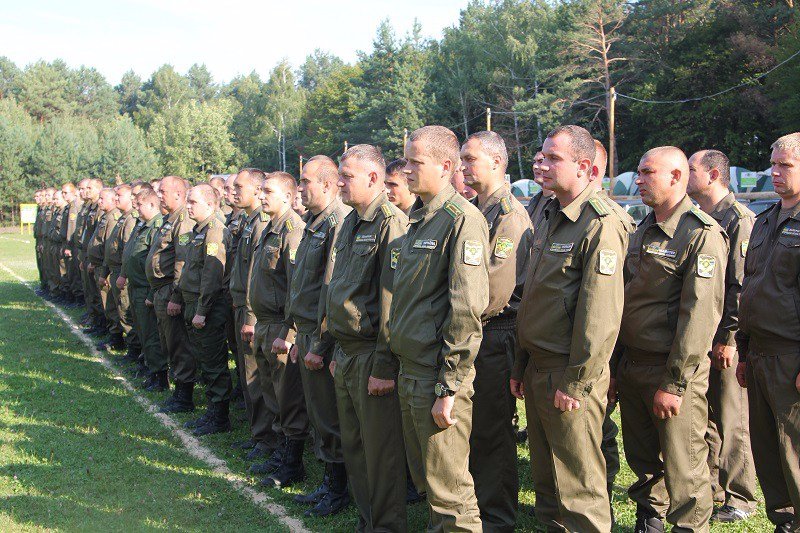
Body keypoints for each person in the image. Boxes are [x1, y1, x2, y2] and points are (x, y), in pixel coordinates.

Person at [511, 125, 628, 531]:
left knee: (578, 486)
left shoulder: (600, 223)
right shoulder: (552, 214)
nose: (542, 165)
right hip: (539, 366)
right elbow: (534, 297)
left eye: (554, 158)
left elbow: (600, 314)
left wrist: (576, 383)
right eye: (542, 156)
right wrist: (521, 363)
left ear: (583, 167)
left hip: (569, 371)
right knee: (547, 481)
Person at [617, 146, 727, 533]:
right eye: (638, 172)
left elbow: (699, 317)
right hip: (633, 363)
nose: (638, 180)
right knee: (643, 456)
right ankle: (650, 519)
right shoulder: (642, 228)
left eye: (648, 172)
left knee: (684, 464)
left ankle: (689, 526)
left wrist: (675, 383)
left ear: (676, 177)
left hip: (671, 369)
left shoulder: (700, 234)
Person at [389, 125, 488, 532]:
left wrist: (449, 387)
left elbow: (466, 310)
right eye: (406, 161)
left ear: (446, 167)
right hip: (411, 370)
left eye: (416, 162)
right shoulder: (420, 219)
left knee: (450, 493)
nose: (407, 170)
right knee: (429, 483)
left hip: (437, 376)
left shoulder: (461, 220)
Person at [326, 145, 409, 531]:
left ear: (373, 178)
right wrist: (334, 347)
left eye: (346, 176)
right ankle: (368, 521)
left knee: (380, 453)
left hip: (371, 356)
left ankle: (386, 526)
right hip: (347, 352)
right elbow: (339, 288)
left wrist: (383, 366)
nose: (339, 183)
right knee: (355, 447)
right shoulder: (351, 221)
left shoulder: (390, 223)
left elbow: (392, 302)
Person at [462, 131, 532, 531]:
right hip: (474, 330)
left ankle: (498, 516)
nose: (464, 166)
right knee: (474, 428)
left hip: (495, 331)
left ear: (496, 162)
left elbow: (493, 288)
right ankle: (480, 503)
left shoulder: (508, 215)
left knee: (492, 430)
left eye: (471, 159)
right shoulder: (476, 210)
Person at [276, 155, 352, 517]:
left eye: (306, 181)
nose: (301, 188)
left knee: (329, 416)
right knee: (318, 414)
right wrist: (295, 333)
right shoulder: (314, 222)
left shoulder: (337, 222)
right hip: (306, 333)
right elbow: (301, 285)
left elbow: (330, 289)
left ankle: (338, 489)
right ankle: (329, 481)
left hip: (323, 337)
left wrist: (320, 344)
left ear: (327, 184)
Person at [687, 149, 757, 523]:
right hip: (702, 335)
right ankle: (714, 487)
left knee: (732, 417)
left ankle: (741, 497)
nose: (684, 174)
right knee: (708, 417)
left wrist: (729, 337)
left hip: (724, 337)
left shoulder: (738, 220)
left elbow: (740, 285)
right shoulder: (701, 217)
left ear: (713, 175)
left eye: (692, 169)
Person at [736, 132, 800, 533]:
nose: (775, 172)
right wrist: (744, 351)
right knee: (767, 449)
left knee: (794, 450)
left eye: (785, 165)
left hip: (791, 355)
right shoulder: (764, 220)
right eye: (773, 164)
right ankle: (785, 522)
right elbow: (751, 286)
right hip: (759, 352)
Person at [248, 172, 309, 486]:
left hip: (280, 326)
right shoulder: (269, 229)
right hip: (264, 323)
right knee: (272, 394)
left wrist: (289, 332)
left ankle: (292, 463)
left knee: (289, 398)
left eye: (268, 191)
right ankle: (278, 451)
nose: (261, 196)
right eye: (260, 191)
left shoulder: (292, 230)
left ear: (288, 195)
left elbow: (297, 286)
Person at [593, 139, 636, 523]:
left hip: (608, 343)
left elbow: (616, 295)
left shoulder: (610, 221)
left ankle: (603, 489)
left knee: (599, 427)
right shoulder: (555, 212)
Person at [228, 169, 282, 460]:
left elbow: (255, 277)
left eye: (240, 187)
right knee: (248, 373)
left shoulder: (261, 224)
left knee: (257, 378)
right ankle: (259, 433)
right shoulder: (250, 221)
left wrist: (249, 317)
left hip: (256, 314)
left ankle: (267, 438)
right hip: (243, 308)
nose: (235, 192)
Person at [177, 184, 234, 436]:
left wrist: (202, 310)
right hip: (194, 304)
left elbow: (212, 275)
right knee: (204, 359)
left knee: (213, 361)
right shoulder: (198, 231)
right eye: (187, 201)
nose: (188, 206)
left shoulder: (214, 231)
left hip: (208, 307)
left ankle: (219, 416)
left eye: (193, 202)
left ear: (210, 204)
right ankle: (212, 410)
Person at [147, 176, 198, 412]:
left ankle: (184, 395)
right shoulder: (169, 219)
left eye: (163, 192)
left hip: (171, 290)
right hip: (161, 289)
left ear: (178, 194)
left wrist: (176, 297)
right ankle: (178, 389)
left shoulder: (183, 220)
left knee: (179, 344)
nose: (158, 195)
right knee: (169, 342)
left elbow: (182, 261)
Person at [119, 188, 166, 388]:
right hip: (135, 286)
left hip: (146, 288)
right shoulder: (142, 225)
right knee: (142, 330)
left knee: (151, 334)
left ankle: (159, 375)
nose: (136, 208)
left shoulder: (157, 226)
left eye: (139, 204)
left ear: (152, 204)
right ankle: (148, 366)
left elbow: (156, 261)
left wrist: (151, 292)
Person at [98, 184, 140, 354]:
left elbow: (127, 252)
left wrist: (123, 274)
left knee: (125, 312)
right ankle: (123, 342)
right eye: (115, 195)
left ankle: (133, 349)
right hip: (114, 270)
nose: (116, 198)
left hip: (122, 273)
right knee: (118, 309)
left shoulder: (130, 219)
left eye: (119, 195)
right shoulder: (123, 218)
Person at [86, 188, 120, 342]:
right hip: (98, 264)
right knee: (103, 300)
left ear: (112, 200)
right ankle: (105, 328)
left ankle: (114, 336)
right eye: (99, 198)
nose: (99, 201)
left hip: (104, 266)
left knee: (109, 304)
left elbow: (108, 246)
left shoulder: (113, 218)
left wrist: (104, 271)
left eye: (102, 199)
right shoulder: (105, 216)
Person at [526, 151, 554, 231]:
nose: (535, 166)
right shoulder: (534, 201)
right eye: (534, 162)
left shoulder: (560, 202)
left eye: (541, 161)